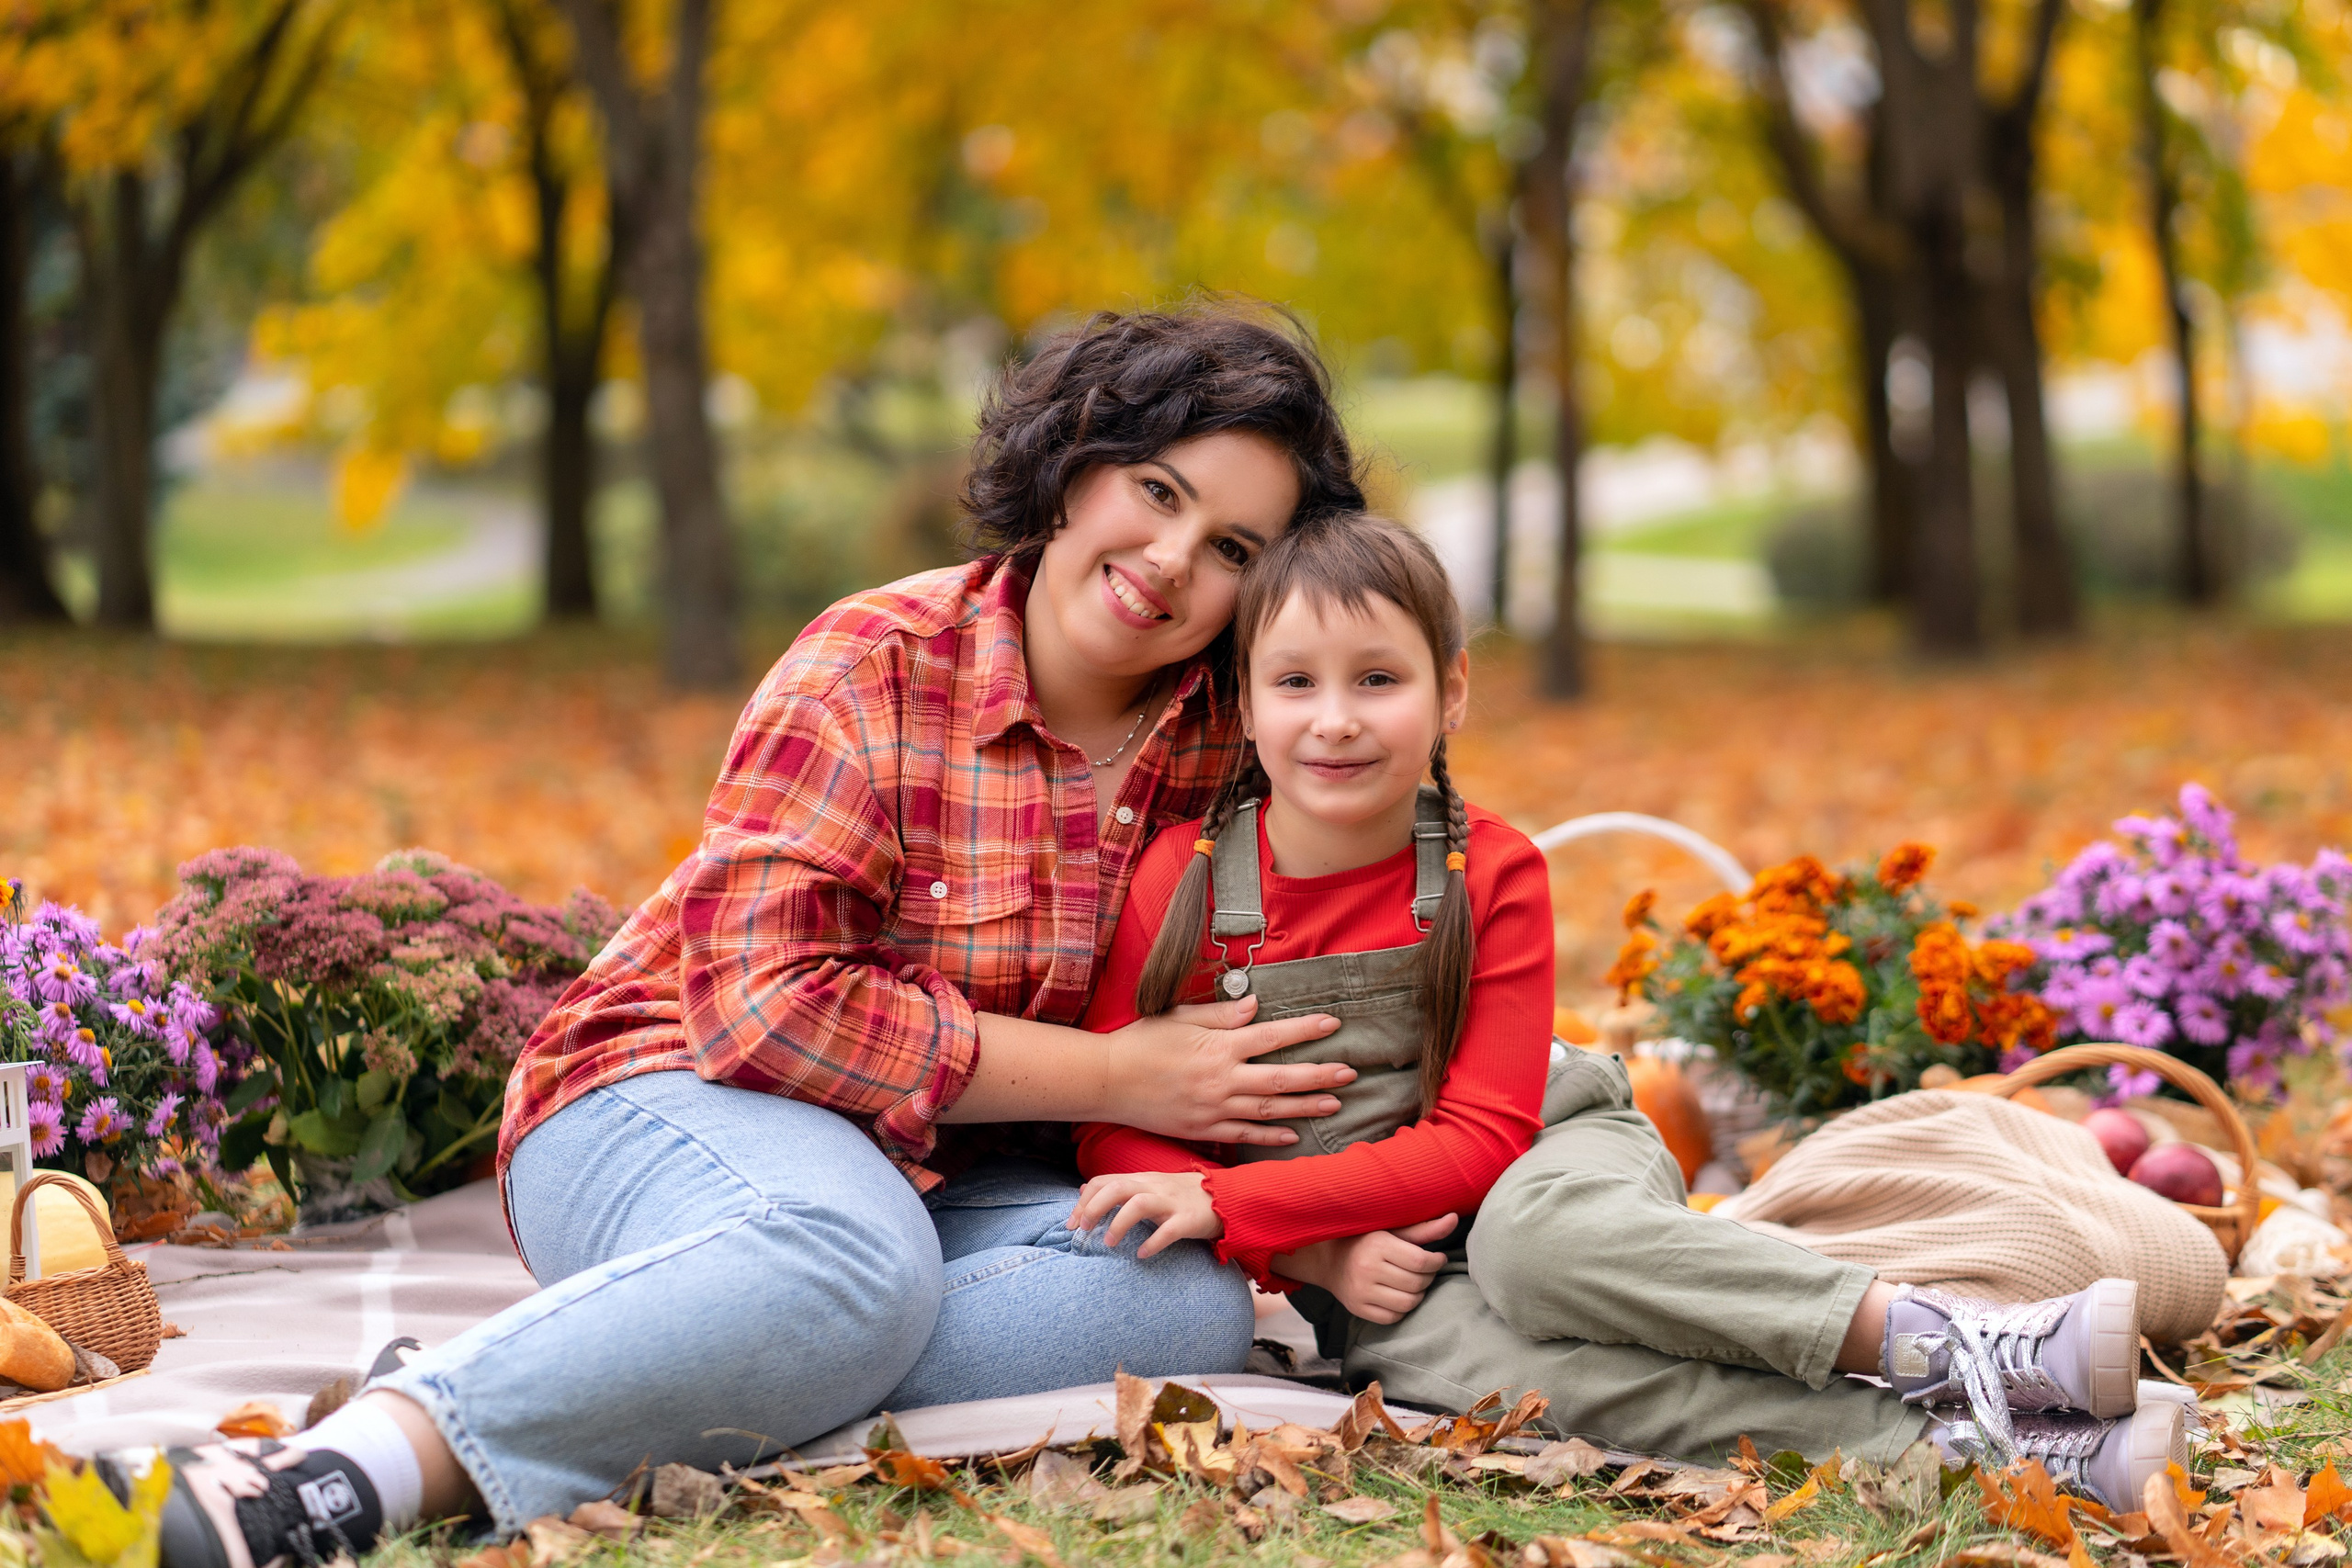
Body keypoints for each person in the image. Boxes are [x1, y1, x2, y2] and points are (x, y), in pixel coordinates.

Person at [131, 306, 1377, 1566]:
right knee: (853, 1258)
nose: (1168, 557)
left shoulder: (1242, 733)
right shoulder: (875, 665)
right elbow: (766, 1008)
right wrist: (1118, 1072)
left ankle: (633, 1353)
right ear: (1073, 465)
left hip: (952, 1179)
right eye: (1154, 489)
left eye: (1228, 544)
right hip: (662, 1091)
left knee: (1176, 1294)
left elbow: (1357, 939)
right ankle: (339, 1470)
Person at [1067, 513, 2188, 1511]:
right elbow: (1126, 1130)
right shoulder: (1185, 885)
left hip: (1542, 1153)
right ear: (1244, 702)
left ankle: (1944, 1341)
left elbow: (1480, 1139)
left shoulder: (1485, 870)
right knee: (1484, 1370)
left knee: (1534, 1251)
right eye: (1295, 683)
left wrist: (1233, 1200)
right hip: (1362, 1250)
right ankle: (1981, 1454)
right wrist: (1310, 1261)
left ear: (1449, 691)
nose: (1335, 721)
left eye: (1377, 679)